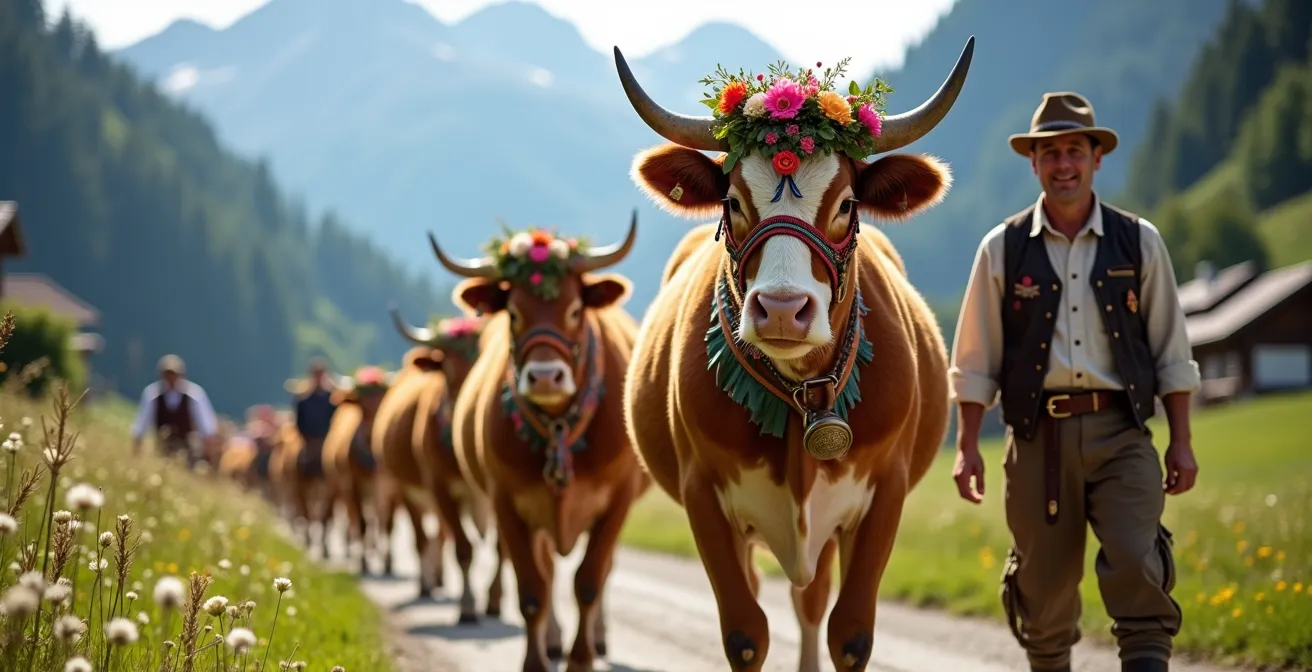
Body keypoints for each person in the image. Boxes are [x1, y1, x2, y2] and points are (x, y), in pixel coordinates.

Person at [947, 92, 1202, 672]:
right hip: (1039, 439)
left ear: (1096, 160)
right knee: (1043, 595)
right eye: (1051, 153)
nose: (1064, 164)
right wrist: (966, 448)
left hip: (1123, 433)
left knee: (1139, 564)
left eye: (1075, 152)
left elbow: (1171, 348)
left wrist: (1181, 440)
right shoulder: (1002, 248)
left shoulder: (1140, 241)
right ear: (1033, 163)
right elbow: (975, 358)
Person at [131, 354, 220, 468]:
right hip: (163, 448)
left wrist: (209, 456)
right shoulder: (152, 394)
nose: (170, 378)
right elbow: (141, 425)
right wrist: (136, 452)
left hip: (189, 450)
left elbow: (207, 428)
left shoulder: (194, 395)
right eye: (167, 374)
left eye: (173, 374)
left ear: (181, 375)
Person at [292, 358, 337, 480]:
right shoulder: (303, 400)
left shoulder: (332, 398)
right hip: (309, 441)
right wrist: (307, 439)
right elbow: (299, 422)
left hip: (328, 440)